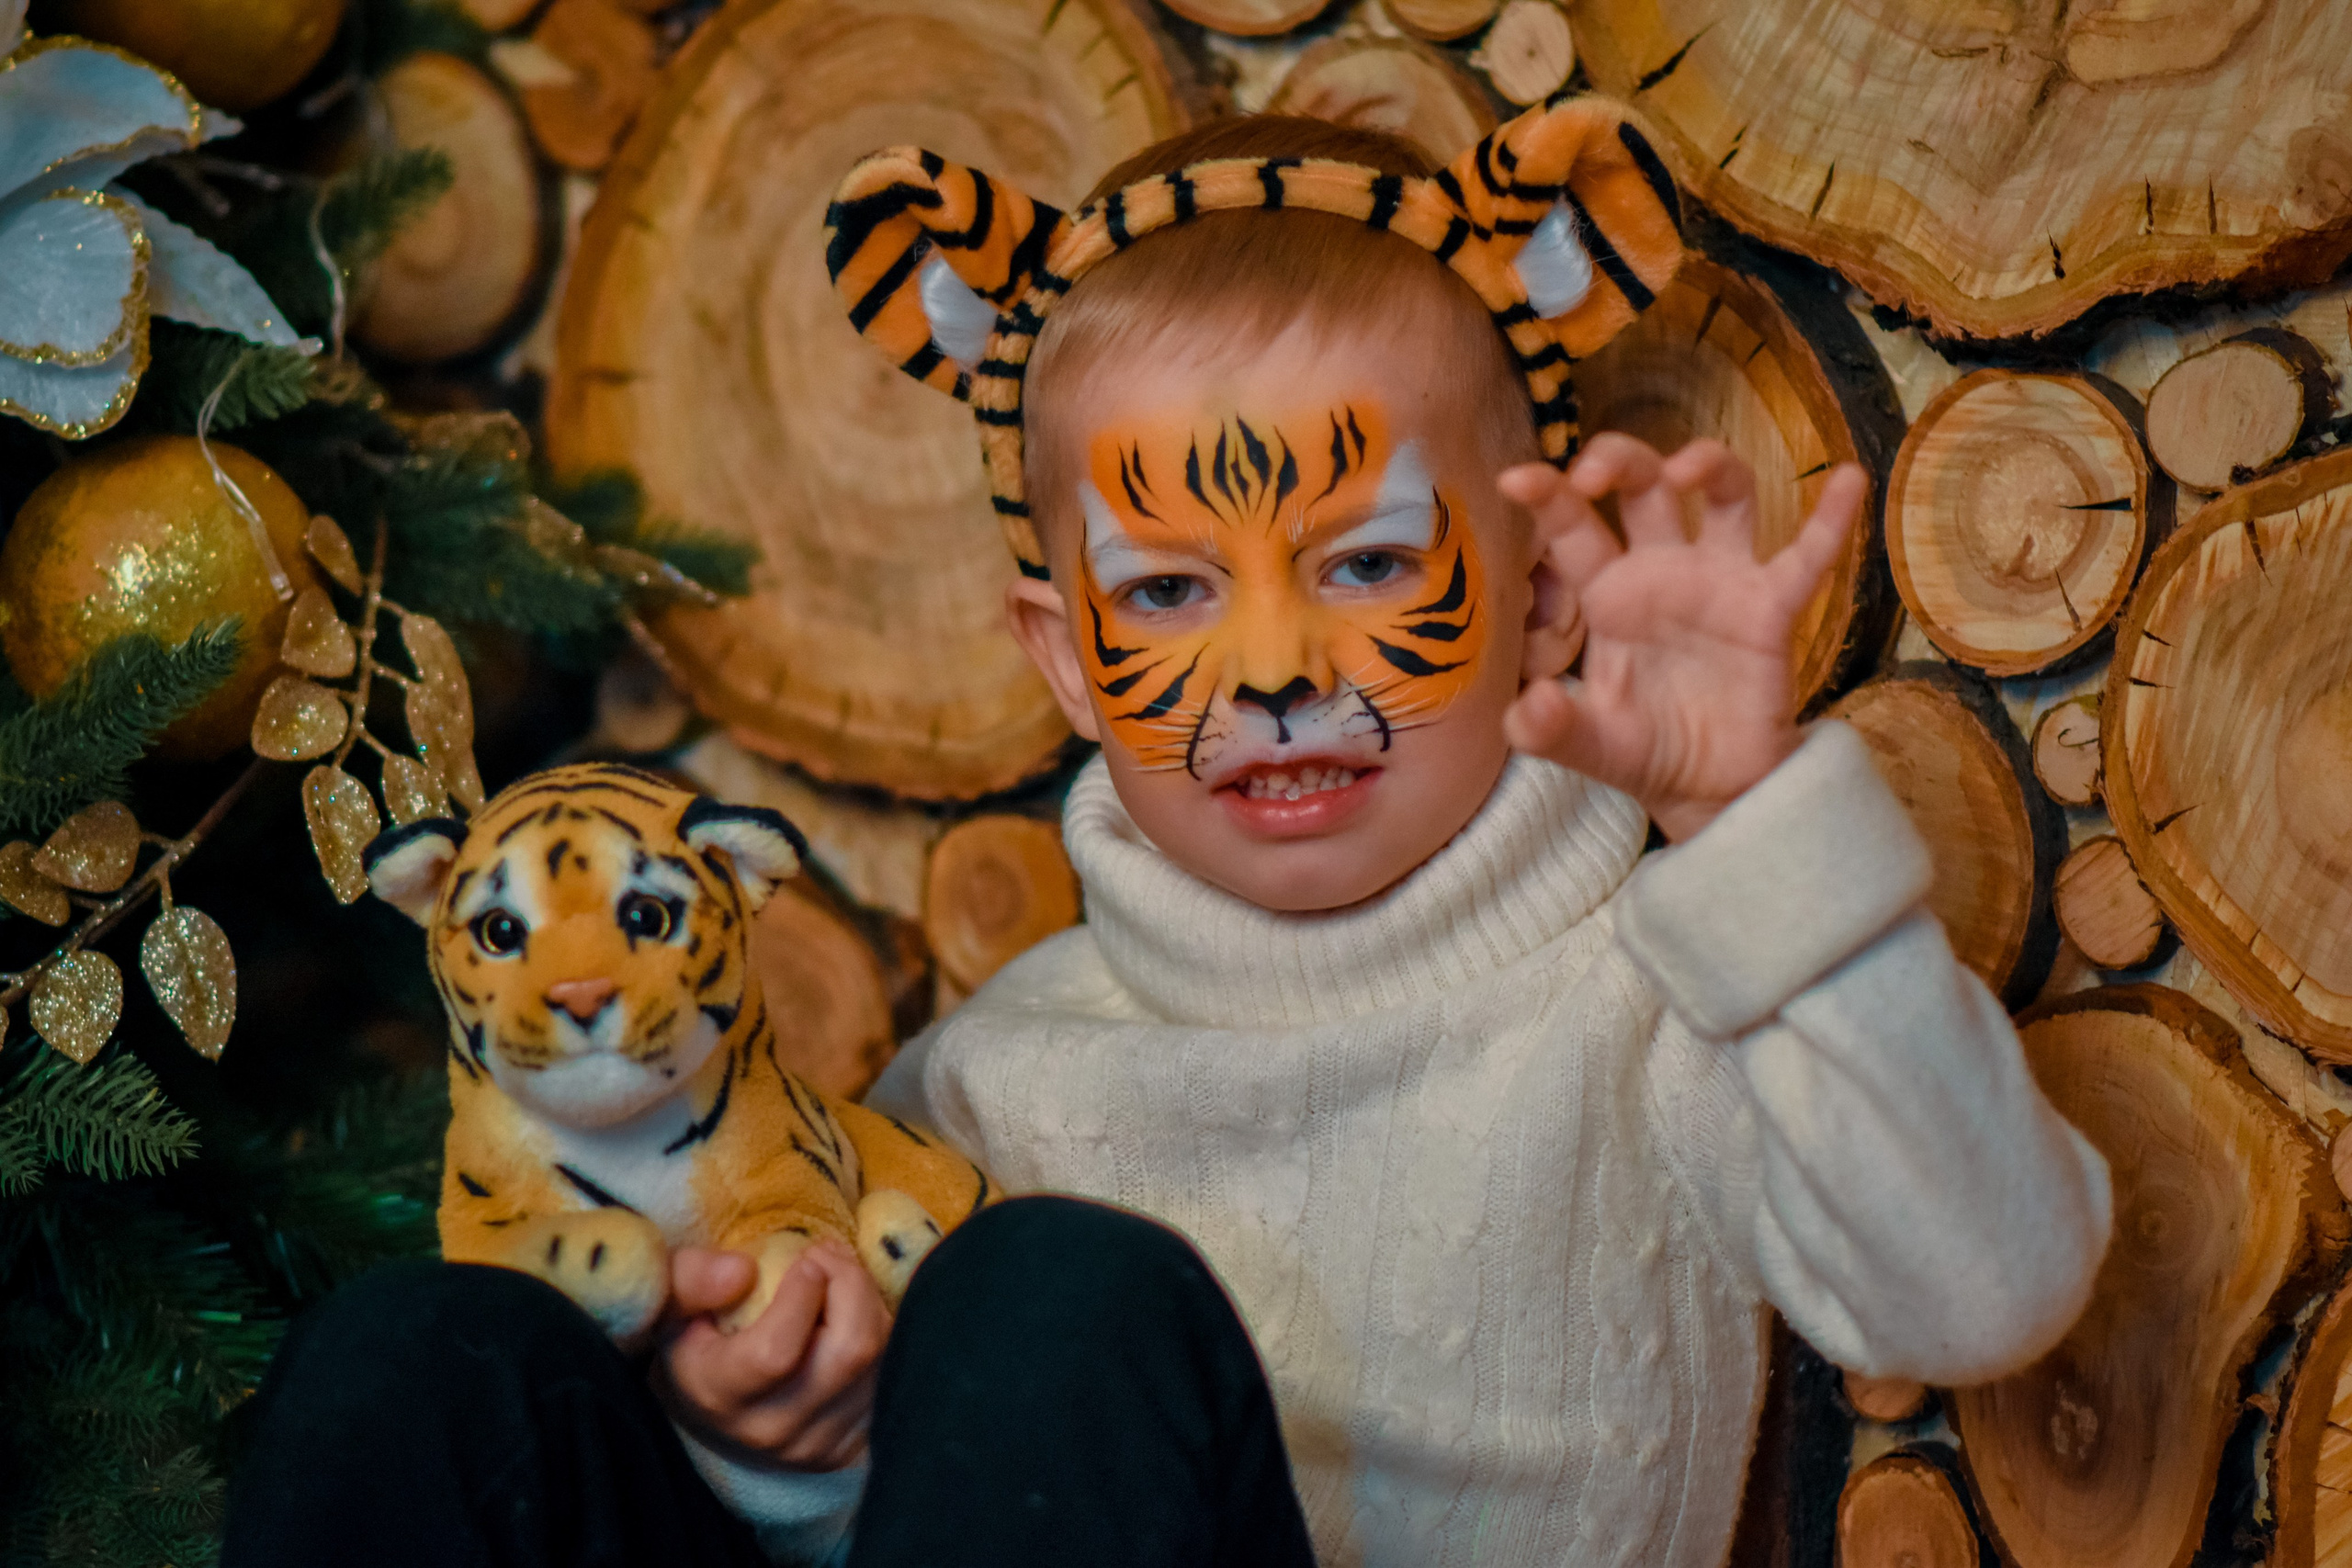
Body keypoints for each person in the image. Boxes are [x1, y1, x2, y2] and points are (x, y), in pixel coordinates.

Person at [224, 99, 2111, 1568]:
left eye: (1371, 561)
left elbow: (1986, 1283)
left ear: (1543, 598)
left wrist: (1747, 817)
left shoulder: (1655, 1008)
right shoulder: (994, 1075)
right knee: (416, 1365)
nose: (1276, 668)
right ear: (1061, 653)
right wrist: (771, 1443)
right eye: (1169, 591)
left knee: (1055, 1301)